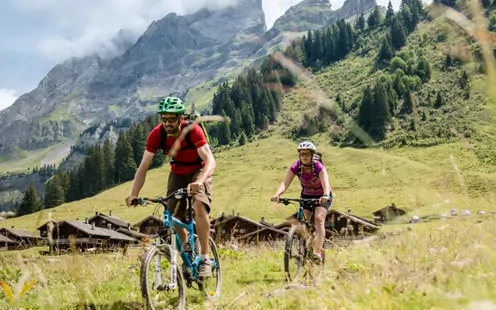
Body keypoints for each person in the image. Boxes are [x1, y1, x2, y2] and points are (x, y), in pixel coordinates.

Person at [125, 96, 216, 278]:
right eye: (164, 118)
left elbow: (210, 160)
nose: (167, 123)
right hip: (178, 172)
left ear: (180, 118)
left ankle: (205, 258)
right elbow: (144, 166)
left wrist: (200, 182)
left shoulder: (193, 130)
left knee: (199, 205)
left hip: (200, 169)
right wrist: (134, 194)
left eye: (171, 119)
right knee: (173, 215)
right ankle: (187, 258)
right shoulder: (157, 134)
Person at [271, 141, 333, 263]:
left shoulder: (319, 167)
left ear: (312, 155)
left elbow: (326, 183)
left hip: (322, 196)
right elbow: (285, 183)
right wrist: (277, 194)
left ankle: (318, 252)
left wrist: (325, 195)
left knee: (319, 219)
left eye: (307, 154)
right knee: (304, 224)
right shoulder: (296, 167)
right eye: (302, 154)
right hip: (306, 196)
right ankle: (304, 249)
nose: (304, 156)